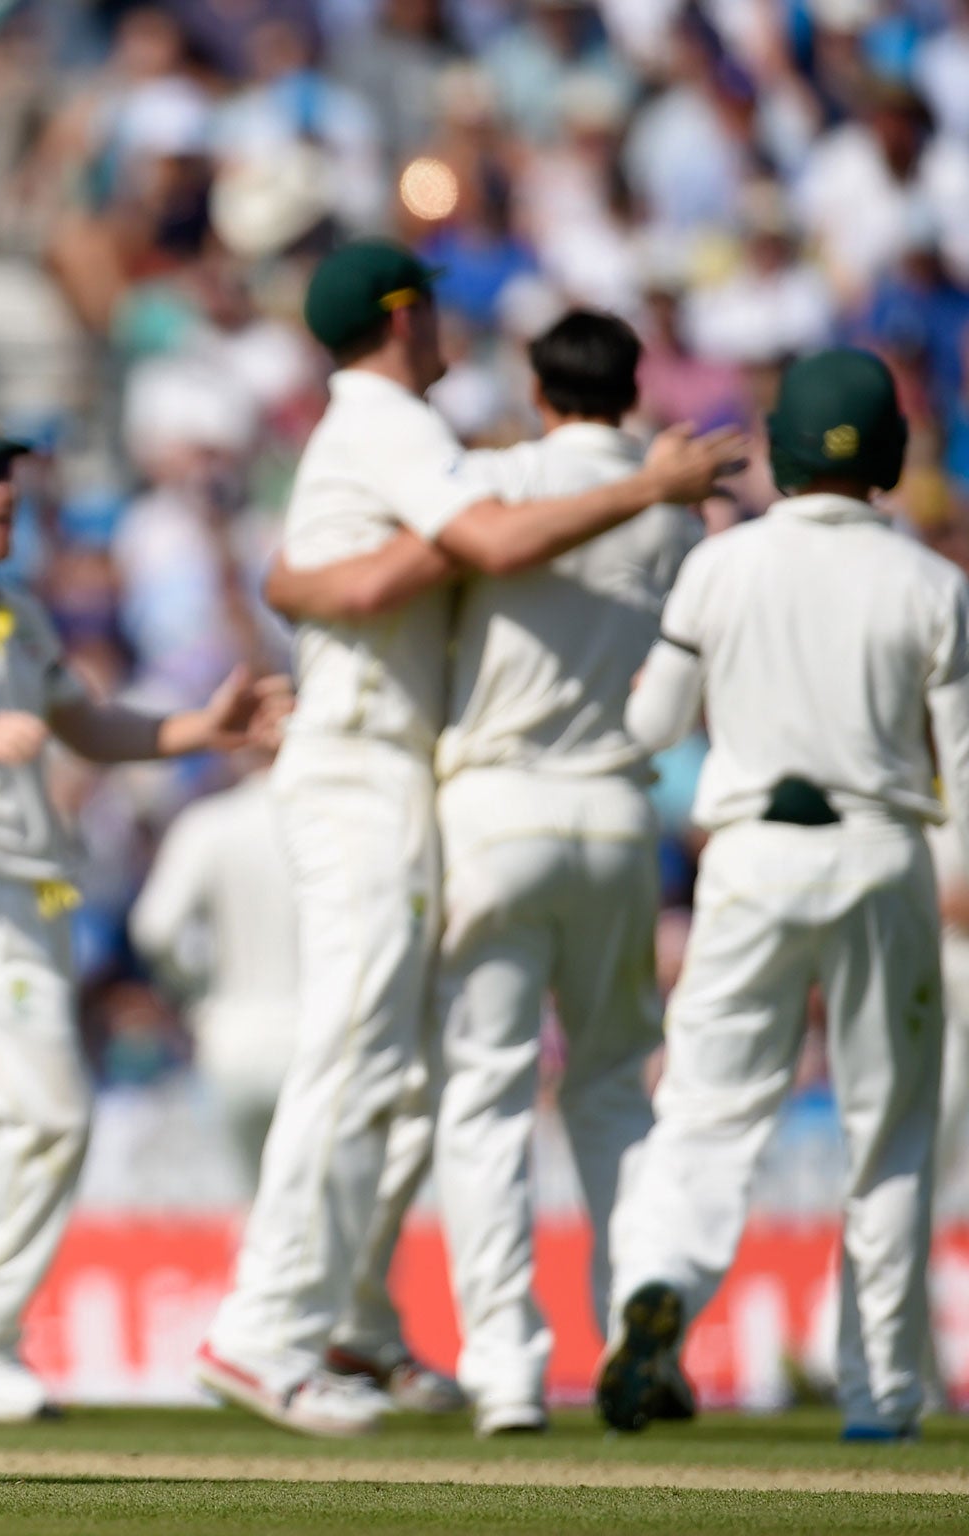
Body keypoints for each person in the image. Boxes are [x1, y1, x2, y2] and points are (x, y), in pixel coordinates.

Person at [198, 239, 738, 1438]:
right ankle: (258, 1329)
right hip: (374, 770)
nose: (448, 329)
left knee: (397, 1075)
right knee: (354, 1057)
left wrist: (316, 584)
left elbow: (421, 546)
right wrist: (648, 491)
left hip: (423, 781)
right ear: (401, 318)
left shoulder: (393, 432)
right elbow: (488, 541)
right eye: (433, 310)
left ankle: (353, 1327)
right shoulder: (390, 420)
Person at [0, 410, 279, 1425]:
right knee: (49, 1111)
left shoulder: (10, 609)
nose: (6, 492)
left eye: (12, 474)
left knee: (10, 1116)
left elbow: (81, 723)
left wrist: (191, 731)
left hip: (27, 890)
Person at [603, 348, 969, 1444]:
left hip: (751, 855)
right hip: (880, 855)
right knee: (887, 1133)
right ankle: (879, 1396)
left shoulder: (721, 567)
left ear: (780, 450)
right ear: (889, 461)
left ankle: (658, 1280)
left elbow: (649, 728)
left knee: (706, 1105)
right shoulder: (930, 583)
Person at [429, 310, 698, 1436]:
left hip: (494, 806)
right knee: (609, 1084)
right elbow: (671, 689)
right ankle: (641, 1332)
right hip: (614, 813)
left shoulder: (495, 479)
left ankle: (505, 1367)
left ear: (538, 390)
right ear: (630, 390)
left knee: (487, 1093)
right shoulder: (668, 507)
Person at [129, 745, 464, 1415]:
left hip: (231, 1040)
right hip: (322, 1035)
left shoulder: (209, 821)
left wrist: (202, 993)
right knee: (331, 1205)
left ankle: (296, 1349)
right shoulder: (345, 820)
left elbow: (155, 927)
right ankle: (304, 1352)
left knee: (266, 1206)